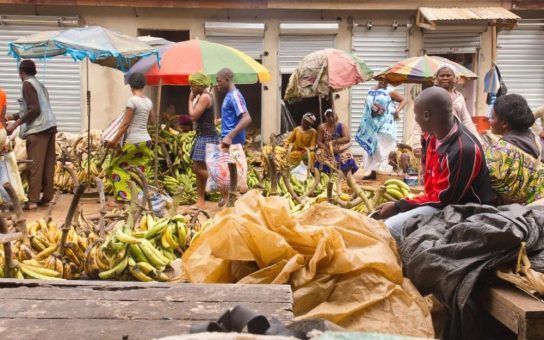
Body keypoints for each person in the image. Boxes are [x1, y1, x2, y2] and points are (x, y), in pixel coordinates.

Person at [376, 87, 495, 242]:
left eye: (415, 115)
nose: (415, 119)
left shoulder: (463, 150)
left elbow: (443, 199)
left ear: (426, 115)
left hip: (464, 210)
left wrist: (399, 206)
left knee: (391, 227)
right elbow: (427, 157)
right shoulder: (433, 134)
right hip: (441, 200)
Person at [5, 60, 57, 210]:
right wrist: (11, 117)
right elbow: (31, 108)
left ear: (21, 72)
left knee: (34, 165)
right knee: (47, 164)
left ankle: (33, 200)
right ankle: (47, 197)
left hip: (38, 129)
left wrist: (15, 124)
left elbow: (34, 110)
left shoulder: (27, 84)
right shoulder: (40, 85)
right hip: (49, 127)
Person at [106, 72, 155, 207]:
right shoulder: (148, 102)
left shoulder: (132, 101)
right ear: (143, 85)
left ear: (131, 85)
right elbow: (152, 121)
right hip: (146, 141)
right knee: (137, 170)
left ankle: (121, 200)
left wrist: (114, 141)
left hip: (134, 141)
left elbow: (125, 124)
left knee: (116, 168)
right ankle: (137, 198)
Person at [412, 64, 479, 158]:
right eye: (442, 75)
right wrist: (416, 143)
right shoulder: (429, 96)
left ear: (455, 78)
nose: (445, 78)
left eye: (448, 75)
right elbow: (418, 120)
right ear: (436, 78)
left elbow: (466, 120)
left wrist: (477, 140)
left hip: (455, 139)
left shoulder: (459, 97)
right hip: (434, 139)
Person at [356, 76, 407, 179]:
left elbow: (404, 100)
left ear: (388, 81)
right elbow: (367, 105)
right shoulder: (371, 90)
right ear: (377, 80)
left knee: (382, 148)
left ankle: (383, 173)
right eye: (380, 79)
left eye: (385, 80)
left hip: (385, 125)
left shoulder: (390, 91)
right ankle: (373, 172)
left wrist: (397, 110)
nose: (382, 81)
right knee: (372, 148)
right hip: (371, 124)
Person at [215, 68, 252, 205]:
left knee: (238, 183)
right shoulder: (228, 96)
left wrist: (230, 135)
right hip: (226, 145)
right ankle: (226, 201)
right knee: (225, 179)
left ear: (227, 79)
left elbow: (247, 118)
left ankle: (236, 210)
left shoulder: (236, 95)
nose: (217, 84)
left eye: (219, 81)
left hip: (233, 145)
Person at [187, 72, 217, 209]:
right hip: (202, 135)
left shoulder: (205, 96)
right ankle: (200, 201)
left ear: (199, 85)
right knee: (197, 168)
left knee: (200, 168)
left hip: (207, 136)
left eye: (192, 85)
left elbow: (193, 116)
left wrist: (189, 100)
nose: (191, 88)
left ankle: (222, 184)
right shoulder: (203, 96)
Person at [490, 94, 543, 160]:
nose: (489, 121)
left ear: (504, 123)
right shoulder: (532, 137)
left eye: (492, 117)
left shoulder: (504, 148)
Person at [315, 109, 358, 174]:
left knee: (347, 155)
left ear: (336, 116)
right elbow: (319, 141)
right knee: (319, 153)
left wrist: (334, 142)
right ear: (326, 118)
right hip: (327, 149)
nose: (331, 117)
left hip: (340, 149)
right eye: (329, 116)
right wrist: (326, 149)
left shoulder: (341, 125)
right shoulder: (322, 127)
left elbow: (347, 138)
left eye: (332, 115)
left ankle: (345, 172)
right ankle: (326, 172)